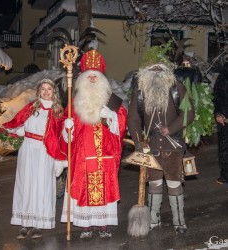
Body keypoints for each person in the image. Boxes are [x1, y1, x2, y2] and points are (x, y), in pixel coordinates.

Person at [60, 50, 127, 239]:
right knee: (83, 187)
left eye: (95, 75)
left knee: (105, 188)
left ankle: (103, 225)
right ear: (81, 78)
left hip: (105, 154)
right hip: (82, 155)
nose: (91, 78)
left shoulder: (111, 100)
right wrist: (67, 127)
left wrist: (112, 116)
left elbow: (122, 123)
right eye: (88, 75)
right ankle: (85, 225)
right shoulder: (75, 102)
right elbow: (65, 130)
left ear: (101, 79)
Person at [127, 58, 195, 234]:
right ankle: (153, 220)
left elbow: (189, 112)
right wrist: (138, 142)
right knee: (154, 183)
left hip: (174, 146)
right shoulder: (140, 91)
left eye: (160, 69)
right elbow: (133, 119)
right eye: (153, 69)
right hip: (151, 147)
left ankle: (179, 221)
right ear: (146, 72)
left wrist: (171, 128)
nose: (156, 72)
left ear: (167, 71)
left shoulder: (176, 87)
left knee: (174, 183)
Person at [2, 79, 67, 239]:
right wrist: (18, 131)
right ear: (39, 91)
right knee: (26, 185)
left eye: (49, 89)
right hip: (28, 150)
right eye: (43, 89)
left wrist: (68, 127)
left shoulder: (58, 111)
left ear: (54, 92)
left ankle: (39, 224)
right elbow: (17, 123)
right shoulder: (31, 108)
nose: (46, 92)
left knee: (42, 186)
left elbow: (62, 138)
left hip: (46, 152)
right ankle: (25, 223)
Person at [213, 62, 228, 184]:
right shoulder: (225, 72)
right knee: (225, 148)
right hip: (225, 118)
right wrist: (218, 113)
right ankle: (225, 175)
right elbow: (217, 94)